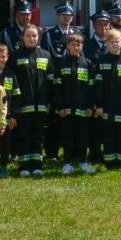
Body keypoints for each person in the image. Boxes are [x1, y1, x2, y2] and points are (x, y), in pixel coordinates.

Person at [91, 27, 121, 169]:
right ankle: (110, 162)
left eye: (117, 41)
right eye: (111, 42)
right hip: (107, 106)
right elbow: (97, 85)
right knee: (108, 135)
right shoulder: (102, 60)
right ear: (106, 43)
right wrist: (98, 105)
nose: (114, 44)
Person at [9, 25, 54, 174]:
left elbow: (50, 80)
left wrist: (49, 102)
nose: (31, 38)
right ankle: (24, 165)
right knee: (24, 135)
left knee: (38, 135)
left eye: (34, 36)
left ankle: (37, 164)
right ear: (22, 37)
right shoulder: (15, 56)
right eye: (28, 36)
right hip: (23, 105)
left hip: (41, 105)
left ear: (38, 37)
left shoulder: (46, 55)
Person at [53, 30, 95, 174]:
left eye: (78, 44)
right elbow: (57, 87)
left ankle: (84, 161)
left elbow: (91, 88)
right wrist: (60, 107)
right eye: (72, 44)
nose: (76, 47)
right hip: (66, 109)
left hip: (83, 109)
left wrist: (90, 107)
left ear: (82, 46)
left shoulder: (87, 64)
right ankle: (67, 163)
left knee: (83, 136)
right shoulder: (61, 64)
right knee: (67, 136)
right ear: (67, 47)